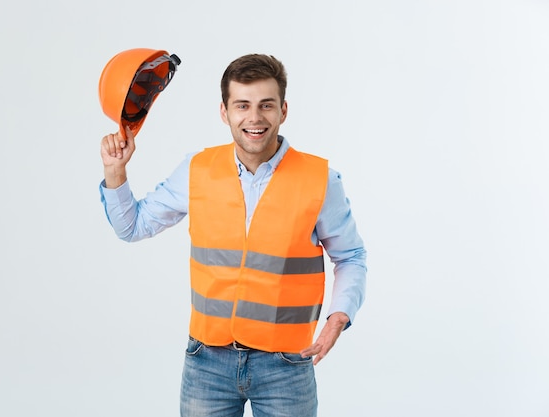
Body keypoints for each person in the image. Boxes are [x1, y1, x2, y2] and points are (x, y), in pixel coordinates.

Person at [99, 53, 367, 417]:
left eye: (266, 105)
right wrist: (116, 173)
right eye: (242, 105)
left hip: (287, 365)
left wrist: (338, 318)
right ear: (224, 112)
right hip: (206, 362)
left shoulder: (321, 180)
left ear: (283, 110)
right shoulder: (197, 170)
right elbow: (132, 227)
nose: (254, 118)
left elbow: (351, 257)